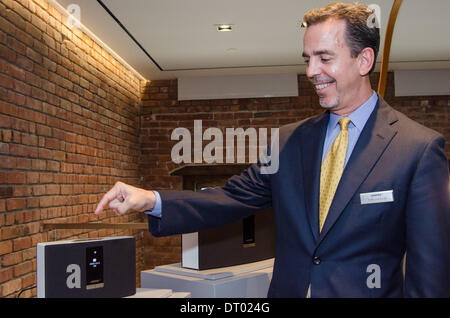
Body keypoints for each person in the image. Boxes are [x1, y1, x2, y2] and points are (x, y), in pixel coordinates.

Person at [94, 2, 449, 297]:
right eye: (307, 58)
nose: (311, 71)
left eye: (324, 58)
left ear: (364, 60)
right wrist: (150, 200)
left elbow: (429, 274)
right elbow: (232, 197)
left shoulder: (417, 149)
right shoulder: (288, 141)